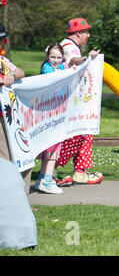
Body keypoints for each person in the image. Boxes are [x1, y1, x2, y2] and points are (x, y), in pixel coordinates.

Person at [57, 18, 103, 185]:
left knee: (84, 132)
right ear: (78, 33)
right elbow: (73, 61)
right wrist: (88, 58)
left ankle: (80, 171)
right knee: (76, 135)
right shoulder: (69, 47)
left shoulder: (67, 45)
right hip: (70, 100)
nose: (88, 35)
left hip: (74, 99)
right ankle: (53, 168)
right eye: (86, 32)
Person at [34, 43, 76, 194]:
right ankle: (46, 179)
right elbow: (57, 76)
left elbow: (68, 66)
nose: (55, 60)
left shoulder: (62, 66)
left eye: (59, 57)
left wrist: (72, 65)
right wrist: (69, 70)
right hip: (49, 113)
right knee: (52, 145)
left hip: (58, 112)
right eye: (53, 57)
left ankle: (43, 178)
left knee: (54, 145)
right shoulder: (47, 68)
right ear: (47, 56)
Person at [0, 22, 25, 161]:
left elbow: (21, 72)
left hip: (5, 112)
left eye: (1, 40)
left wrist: (12, 76)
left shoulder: (3, 60)